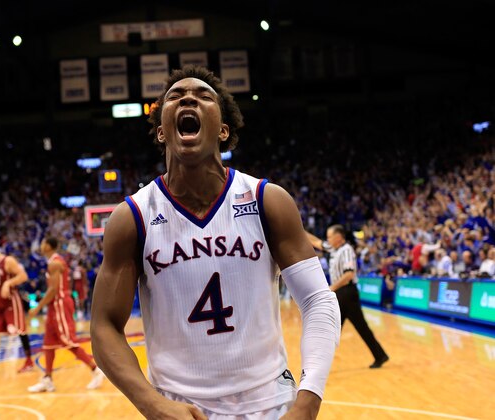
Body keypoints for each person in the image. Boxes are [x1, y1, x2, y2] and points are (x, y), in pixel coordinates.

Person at [90, 65, 341, 420]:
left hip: (272, 403)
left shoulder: (267, 200)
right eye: (174, 96)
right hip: (179, 408)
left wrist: (308, 400)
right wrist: (152, 404)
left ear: (223, 130)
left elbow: (318, 301)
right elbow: (103, 326)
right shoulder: (132, 217)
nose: (188, 97)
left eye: (203, 95)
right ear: (161, 131)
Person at [27, 236, 105, 392]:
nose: (41, 245)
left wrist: (37, 308)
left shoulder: (55, 263)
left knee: (69, 341)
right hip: (55, 306)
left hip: (60, 305)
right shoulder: (54, 262)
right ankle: (47, 378)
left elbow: (53, 290)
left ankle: (95, 370)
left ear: (49, 246)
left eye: (43, 242)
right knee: (48, 344)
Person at [307, 225, 389, 369]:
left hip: (347, 292)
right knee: (339, 328)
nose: (327, 239)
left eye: (330, 236)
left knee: (339, 327)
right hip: (341, 293)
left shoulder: (346, 250)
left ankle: (319, 363)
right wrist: (297, 229)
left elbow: (349, 274)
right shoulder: (333, 248)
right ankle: (380, 355)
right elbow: (316, 242)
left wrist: (332, 288)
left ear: (338, 237)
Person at [0, 241, 34, 373]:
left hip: (11, 301)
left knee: (21, 331)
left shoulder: (8, 260)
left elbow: (23, 276)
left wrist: (8, 283)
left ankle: (29, 361)